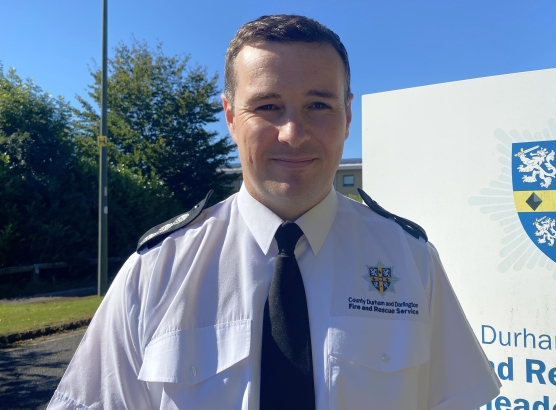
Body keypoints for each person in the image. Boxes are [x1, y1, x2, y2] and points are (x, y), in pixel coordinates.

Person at [48, 15, 500, 410]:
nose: (292, 133)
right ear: (229, 115)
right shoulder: (155, 272)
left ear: (347, 117)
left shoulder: (411, 260)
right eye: (267, 106)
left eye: (318, 105)